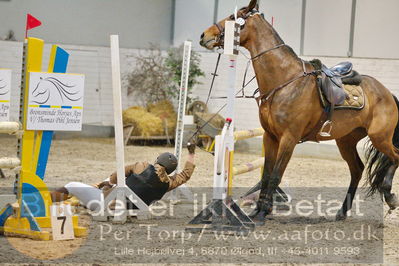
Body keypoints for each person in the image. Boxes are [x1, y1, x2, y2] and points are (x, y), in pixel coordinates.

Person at [51, 142, 196, 211]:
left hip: (107, 206)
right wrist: (191, 152)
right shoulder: (168, 184)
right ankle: (80, 202)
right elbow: (185, 175)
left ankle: (44, 202)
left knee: (71, 186)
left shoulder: (143, 165)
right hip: (131, 211)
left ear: (158, 160)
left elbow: (116, 175)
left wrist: (104, 183)